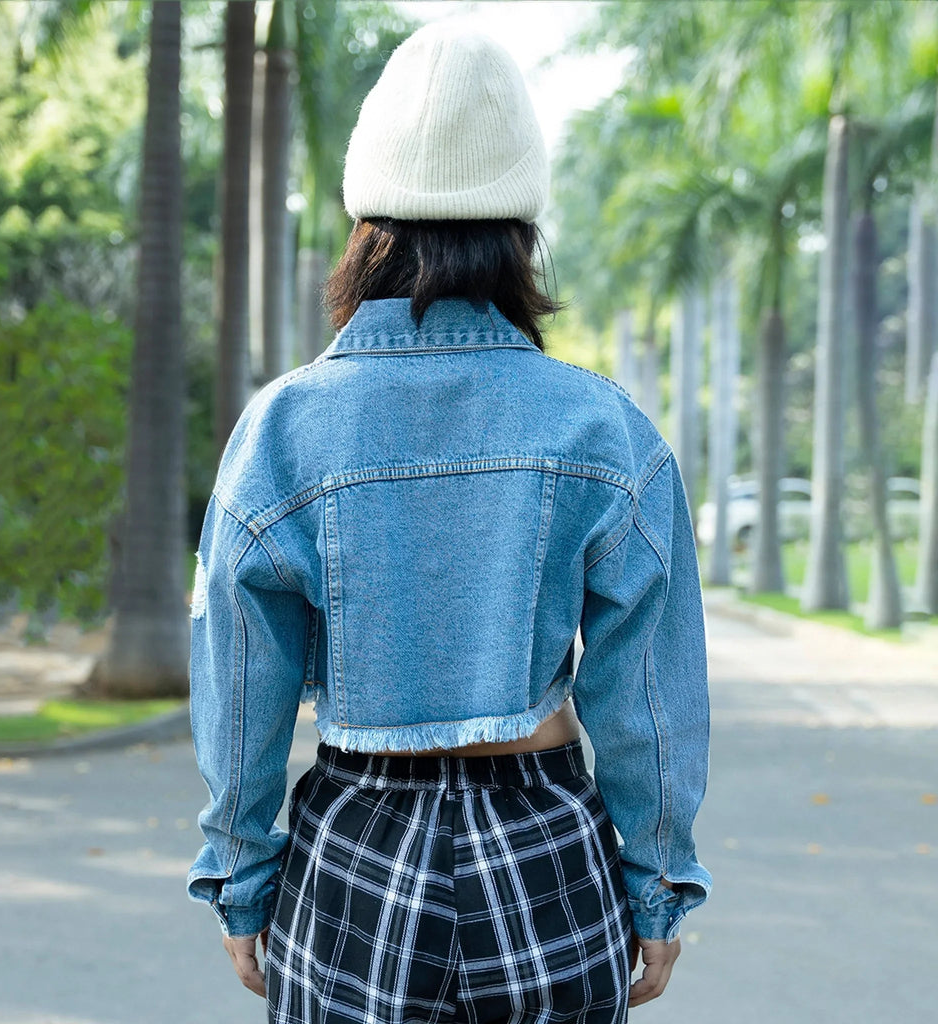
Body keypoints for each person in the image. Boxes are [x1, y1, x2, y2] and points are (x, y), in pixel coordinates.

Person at [186, 20, 711, 1023]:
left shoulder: (283, 428)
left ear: (363, 225)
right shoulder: (600, 424)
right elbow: (644, 694)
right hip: (546, 849)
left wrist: (240, 874)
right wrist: (655, 886)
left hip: (353, 853)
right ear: (521, 230)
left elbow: (242, 689)